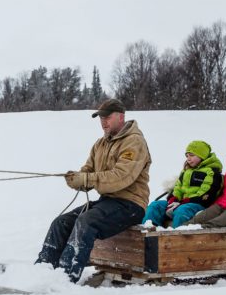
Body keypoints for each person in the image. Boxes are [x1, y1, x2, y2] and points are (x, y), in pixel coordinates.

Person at [36, 99, 151, 283]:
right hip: (108, 203)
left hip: (130, 205)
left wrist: (88, 179)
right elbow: (89, 172)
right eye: (101, 118)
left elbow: (121, 177)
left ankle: (66, 276)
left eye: (107, 117)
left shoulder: (134, 142)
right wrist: (77, 178)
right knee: (61, 222)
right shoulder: (100, 144)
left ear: (120, 116)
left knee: (86, 221)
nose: (103, 122)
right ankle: (42, 271)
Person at [142, 140, 223, 228]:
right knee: (156, 205)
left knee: (183, 210)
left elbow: (206, 195)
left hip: (198, 205)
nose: (188, 158)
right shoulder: (186, 171)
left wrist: (184, 201)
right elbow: (178, 187)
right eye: (187, 156)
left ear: (202, 155)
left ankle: (177, 237)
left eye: (192, 155)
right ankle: (147, 232)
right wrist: (174, 199)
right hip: (181, 203)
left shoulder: (212, 173)